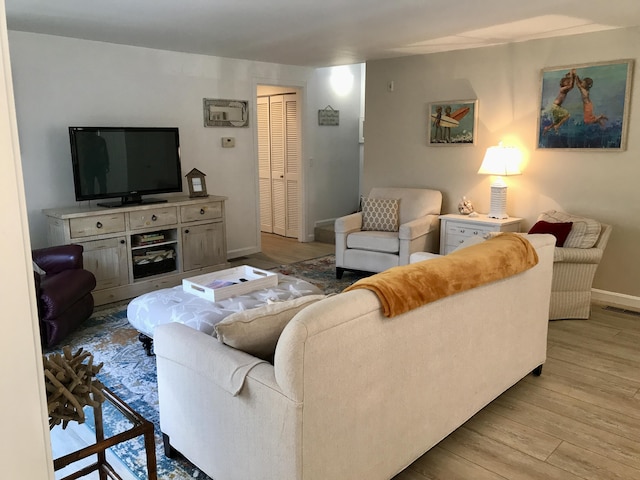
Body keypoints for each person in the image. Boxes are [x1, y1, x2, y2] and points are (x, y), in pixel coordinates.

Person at [543, 69, 575, 135]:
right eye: (567, 82)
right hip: (556, 107)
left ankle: (547, 128)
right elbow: (571, 86)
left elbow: (572, 86)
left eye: (568, 82)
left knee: (557, 121)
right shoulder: (562, 89)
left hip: (555, 107)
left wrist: (573, 77)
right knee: (567, 115)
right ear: (562, 83)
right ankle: (557, 126)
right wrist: (572, 75)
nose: (568, 83)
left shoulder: (566, 89)